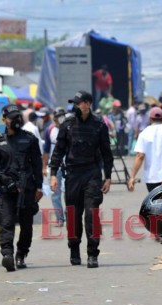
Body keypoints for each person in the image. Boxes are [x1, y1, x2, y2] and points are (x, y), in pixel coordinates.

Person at [49, 90, 113, 268]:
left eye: (79, 103)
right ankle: (74, 249)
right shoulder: (67, 124)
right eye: (75, 103)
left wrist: (108, 177)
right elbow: (58, 151)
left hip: (92, 173)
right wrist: (53, 174)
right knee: (73, 215)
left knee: (92, 213)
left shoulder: (99, 125)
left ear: (87, 104)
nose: (76, 106)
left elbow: (107, 152)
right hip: (72, 174)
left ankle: (93, 254)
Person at [0, 104, 43, 272]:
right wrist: (5, 180)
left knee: (26, 226)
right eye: (12, 117)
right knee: (6, 223)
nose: (16, 120)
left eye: (18, 117)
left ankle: (21, 254)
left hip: (27, 189)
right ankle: (8, 255)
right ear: (5, 120)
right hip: (6, 190)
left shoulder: (29, 139)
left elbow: (37, 164)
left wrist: (39, 187)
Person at [42, 107, 66, 227]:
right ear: (54, 118)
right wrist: (44, 167)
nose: (60, 120)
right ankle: (60, 218)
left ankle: (70, 216)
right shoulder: (49, 130)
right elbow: (46, 151)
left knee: (69, 193)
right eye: (58, 117)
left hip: (70, 165)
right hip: (55, 166)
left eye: (62, 116)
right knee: (55, 193)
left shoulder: (70, 128)